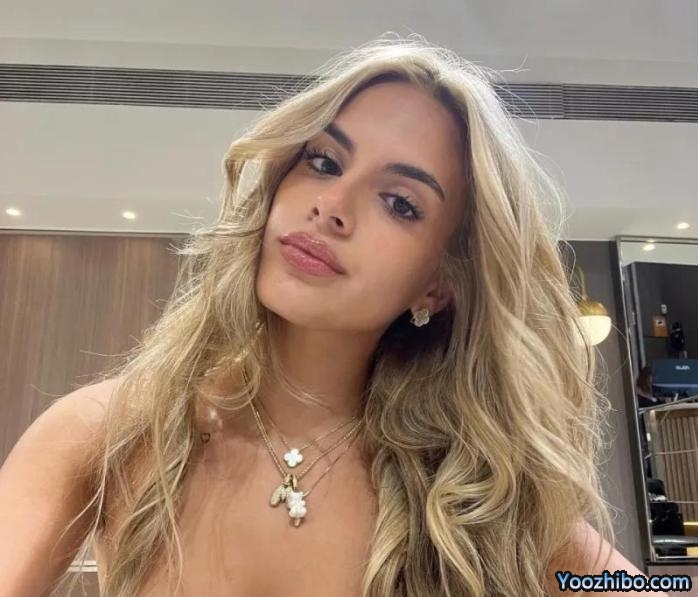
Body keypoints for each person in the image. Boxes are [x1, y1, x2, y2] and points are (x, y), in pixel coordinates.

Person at [0, 35, 665, 596]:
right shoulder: (105, 435)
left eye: (400, 203)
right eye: (323, 161)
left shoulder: (473, 493)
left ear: (437, 285)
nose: (332, 206)